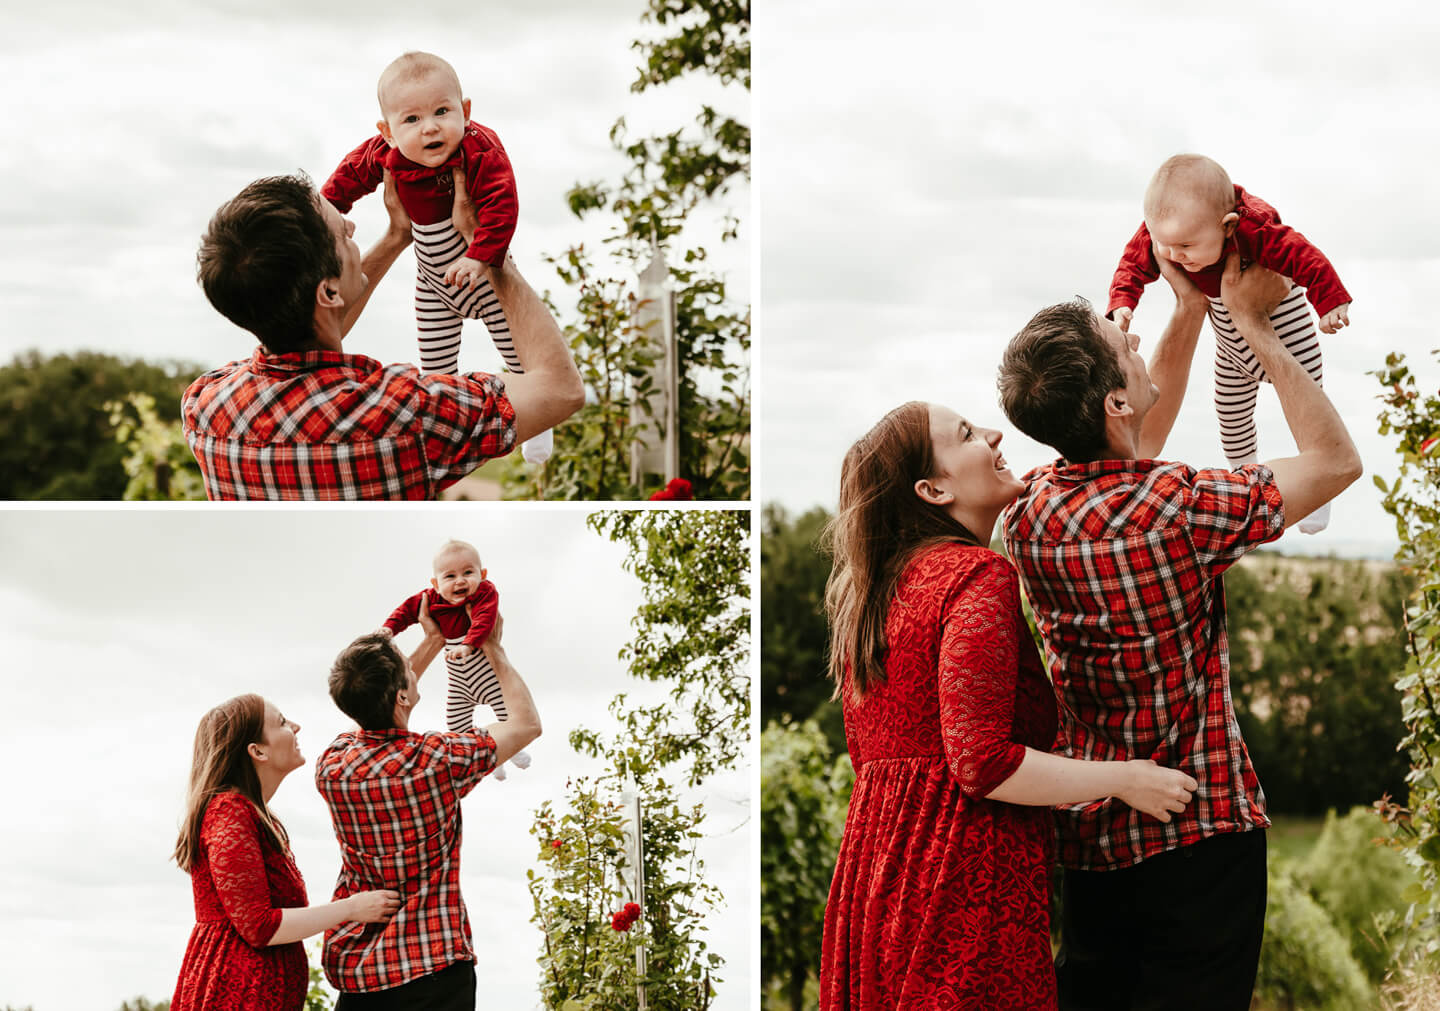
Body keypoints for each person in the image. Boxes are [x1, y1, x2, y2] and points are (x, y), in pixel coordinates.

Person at [997, 254, 1363, 1010]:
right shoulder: (1180, 504)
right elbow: (1334, 463)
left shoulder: (1027, 514)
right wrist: (1255, 326)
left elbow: (1124, 452)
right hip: (1203, 835)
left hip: (1094, 843)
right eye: (1120, 340)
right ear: (1114, 402)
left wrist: (1189, 310)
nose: (1130, 335)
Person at [818, 401, 1198, 1011]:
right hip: (962, 885)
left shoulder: (880, 594)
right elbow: (983, 763)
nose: (994, 433)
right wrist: (1127, 780)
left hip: (877, 884)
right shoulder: (975, 576)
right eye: (967, 434)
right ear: (932, 489)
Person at [185, 163, 583, 500]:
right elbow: (560, 390)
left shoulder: (206, 410)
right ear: (327, 291)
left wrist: (397, 236)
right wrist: (489, 250)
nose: (353, 226)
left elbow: (311, 322)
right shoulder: (405, 414)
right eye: (342, 234)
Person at [323, 51, 553, 465]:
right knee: (436, 372)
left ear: (464, 111)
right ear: (387, 131)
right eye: (411, 120)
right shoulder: (383, 154)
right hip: (433, 285)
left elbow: (503, 202)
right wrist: (323, 212)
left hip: (483, 274)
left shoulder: (478, 148)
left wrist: (481, 255)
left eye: (442, 111)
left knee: (518, 357)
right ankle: (439, 445)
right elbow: (346, 180)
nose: (430, 127)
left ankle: (538, 433)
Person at [1107, 154, 1352, 532]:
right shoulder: (1167, 234)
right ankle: (1245, 476)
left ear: (1227, 226)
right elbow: (1133, 264)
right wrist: (1122, 302)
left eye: (1186, 246)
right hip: (1229, 338)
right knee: (1229, 412)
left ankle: (1319, 499)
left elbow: (1304, 256)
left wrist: (1331, 300)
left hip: (1283, 325)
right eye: (1165, 245)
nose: (1174, 256)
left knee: (1311, 408)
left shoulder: (1256, 229)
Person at [316, 607, 541, 1008]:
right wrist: (493, 647)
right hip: (434, 967)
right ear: (402, 694)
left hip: (361, 971)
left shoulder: (333, 766)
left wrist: (434, 640)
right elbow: (525, 725)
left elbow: (370, 708)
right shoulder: (436, 760)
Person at [170, 694, 401, 1011]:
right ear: (257, 751)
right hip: (235, 999)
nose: (296, 726)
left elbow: (364, 727)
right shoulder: (229, 812)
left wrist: (411, 663)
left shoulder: (251, 812)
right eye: (281, 722)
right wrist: (353, 908)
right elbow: (260, 926)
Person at [381, 537, 532, 778]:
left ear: (482, 574)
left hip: (486, 674)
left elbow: (485, 618)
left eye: (468, 572)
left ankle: (513, 751)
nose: (460, 581)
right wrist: (389, 628)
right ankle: (491, 759)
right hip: (460, 684)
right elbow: (406, 611)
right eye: (450, 577)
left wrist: (469, 644)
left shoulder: (484, 592)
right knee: (455, 723)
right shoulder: (432, 599)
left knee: (507, 715)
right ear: (436, 583)